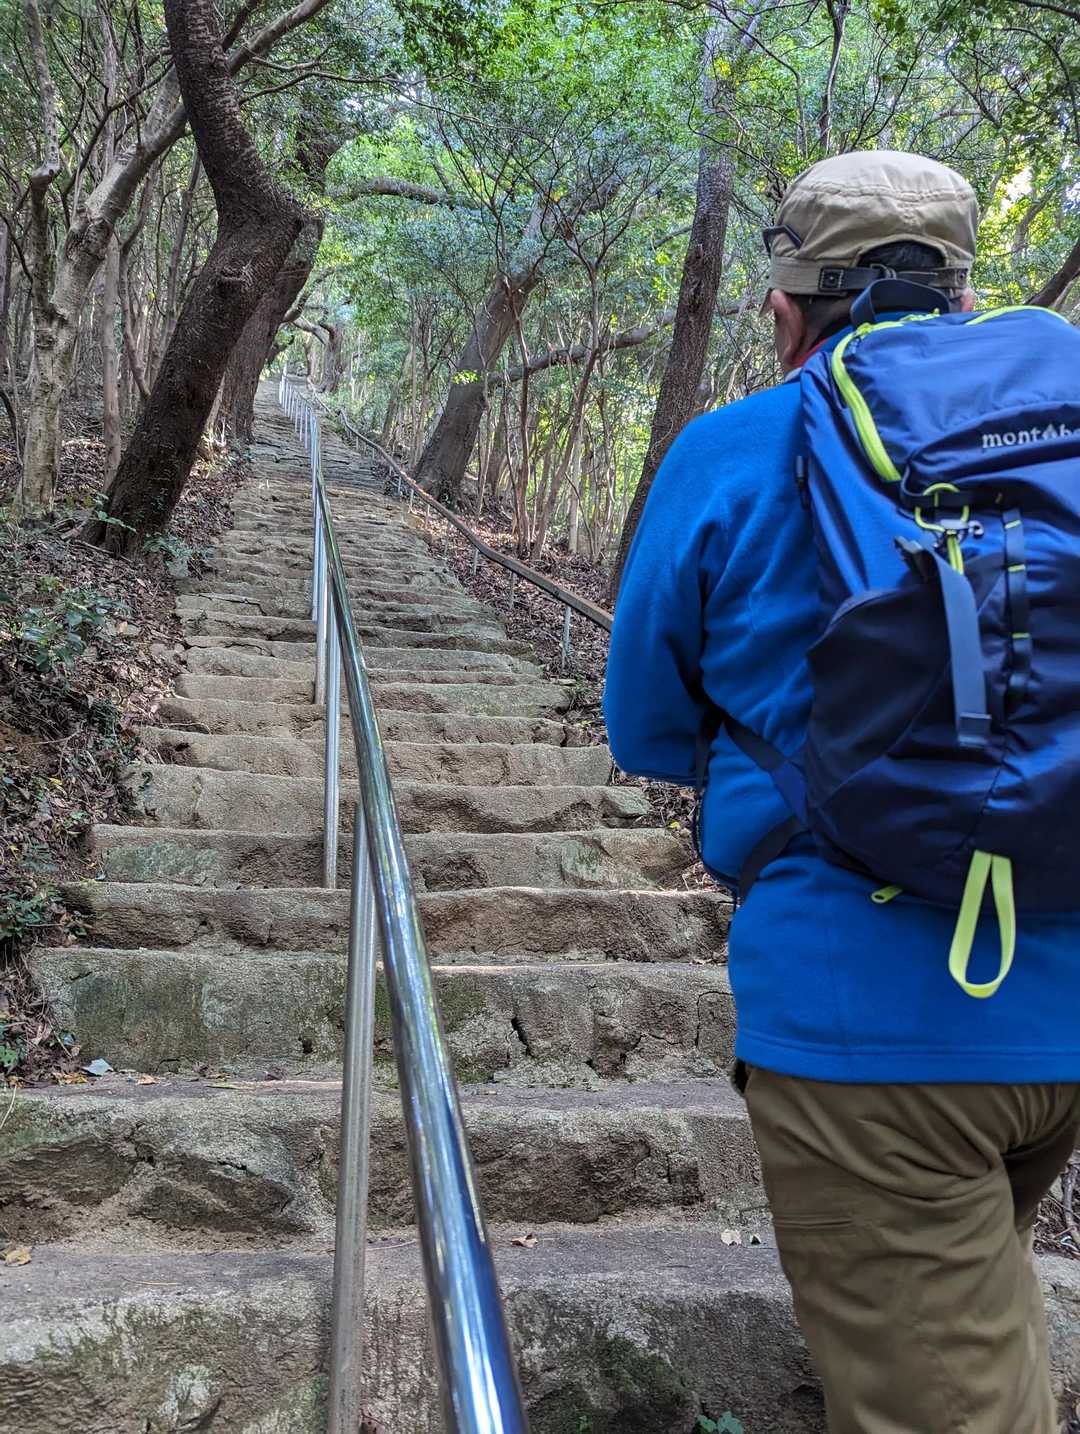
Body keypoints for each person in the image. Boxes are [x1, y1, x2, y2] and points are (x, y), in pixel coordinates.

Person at [603, 150, 1080, 1434]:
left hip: (868, 1032)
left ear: (784, 306)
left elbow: (644, 727)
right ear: (967, 293)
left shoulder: (731, 450)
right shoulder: (1062, 440)